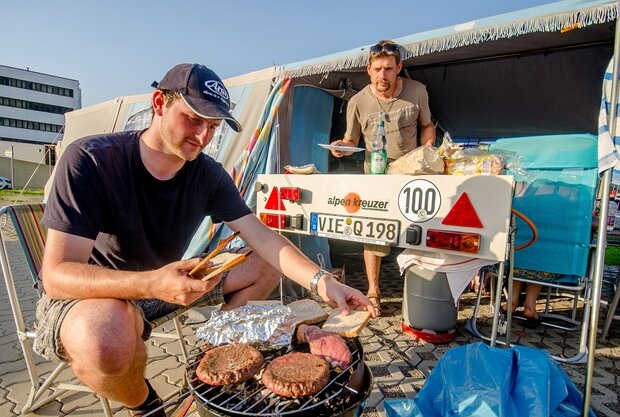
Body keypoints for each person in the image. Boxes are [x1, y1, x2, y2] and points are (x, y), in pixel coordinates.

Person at [35, 63, 377, 417]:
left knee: (262, 265)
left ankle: (220, 357)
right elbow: (57, 276)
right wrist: (151, 282)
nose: (202, 137)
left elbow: (261, 237)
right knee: (106, 340)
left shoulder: (206, 173)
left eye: (212, 127)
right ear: (159, 103)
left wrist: (324, 284)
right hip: (93, 297)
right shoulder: (91, 159)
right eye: (193, 119)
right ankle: (146, 405)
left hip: (163, 285)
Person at [329, 40, 436, 314]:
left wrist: (428, 149)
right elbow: (352, 140)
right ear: (368, 69)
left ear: (399, 67)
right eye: (377, 69)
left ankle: (424, 288)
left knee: (421, 230)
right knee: (375, 231)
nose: (383, 76)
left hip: (412, 172)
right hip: (376, 174)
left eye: (389, 69)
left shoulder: (417, 92)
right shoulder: (357, 101)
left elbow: (426, 125)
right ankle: (374, 291)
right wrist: (342, 149)